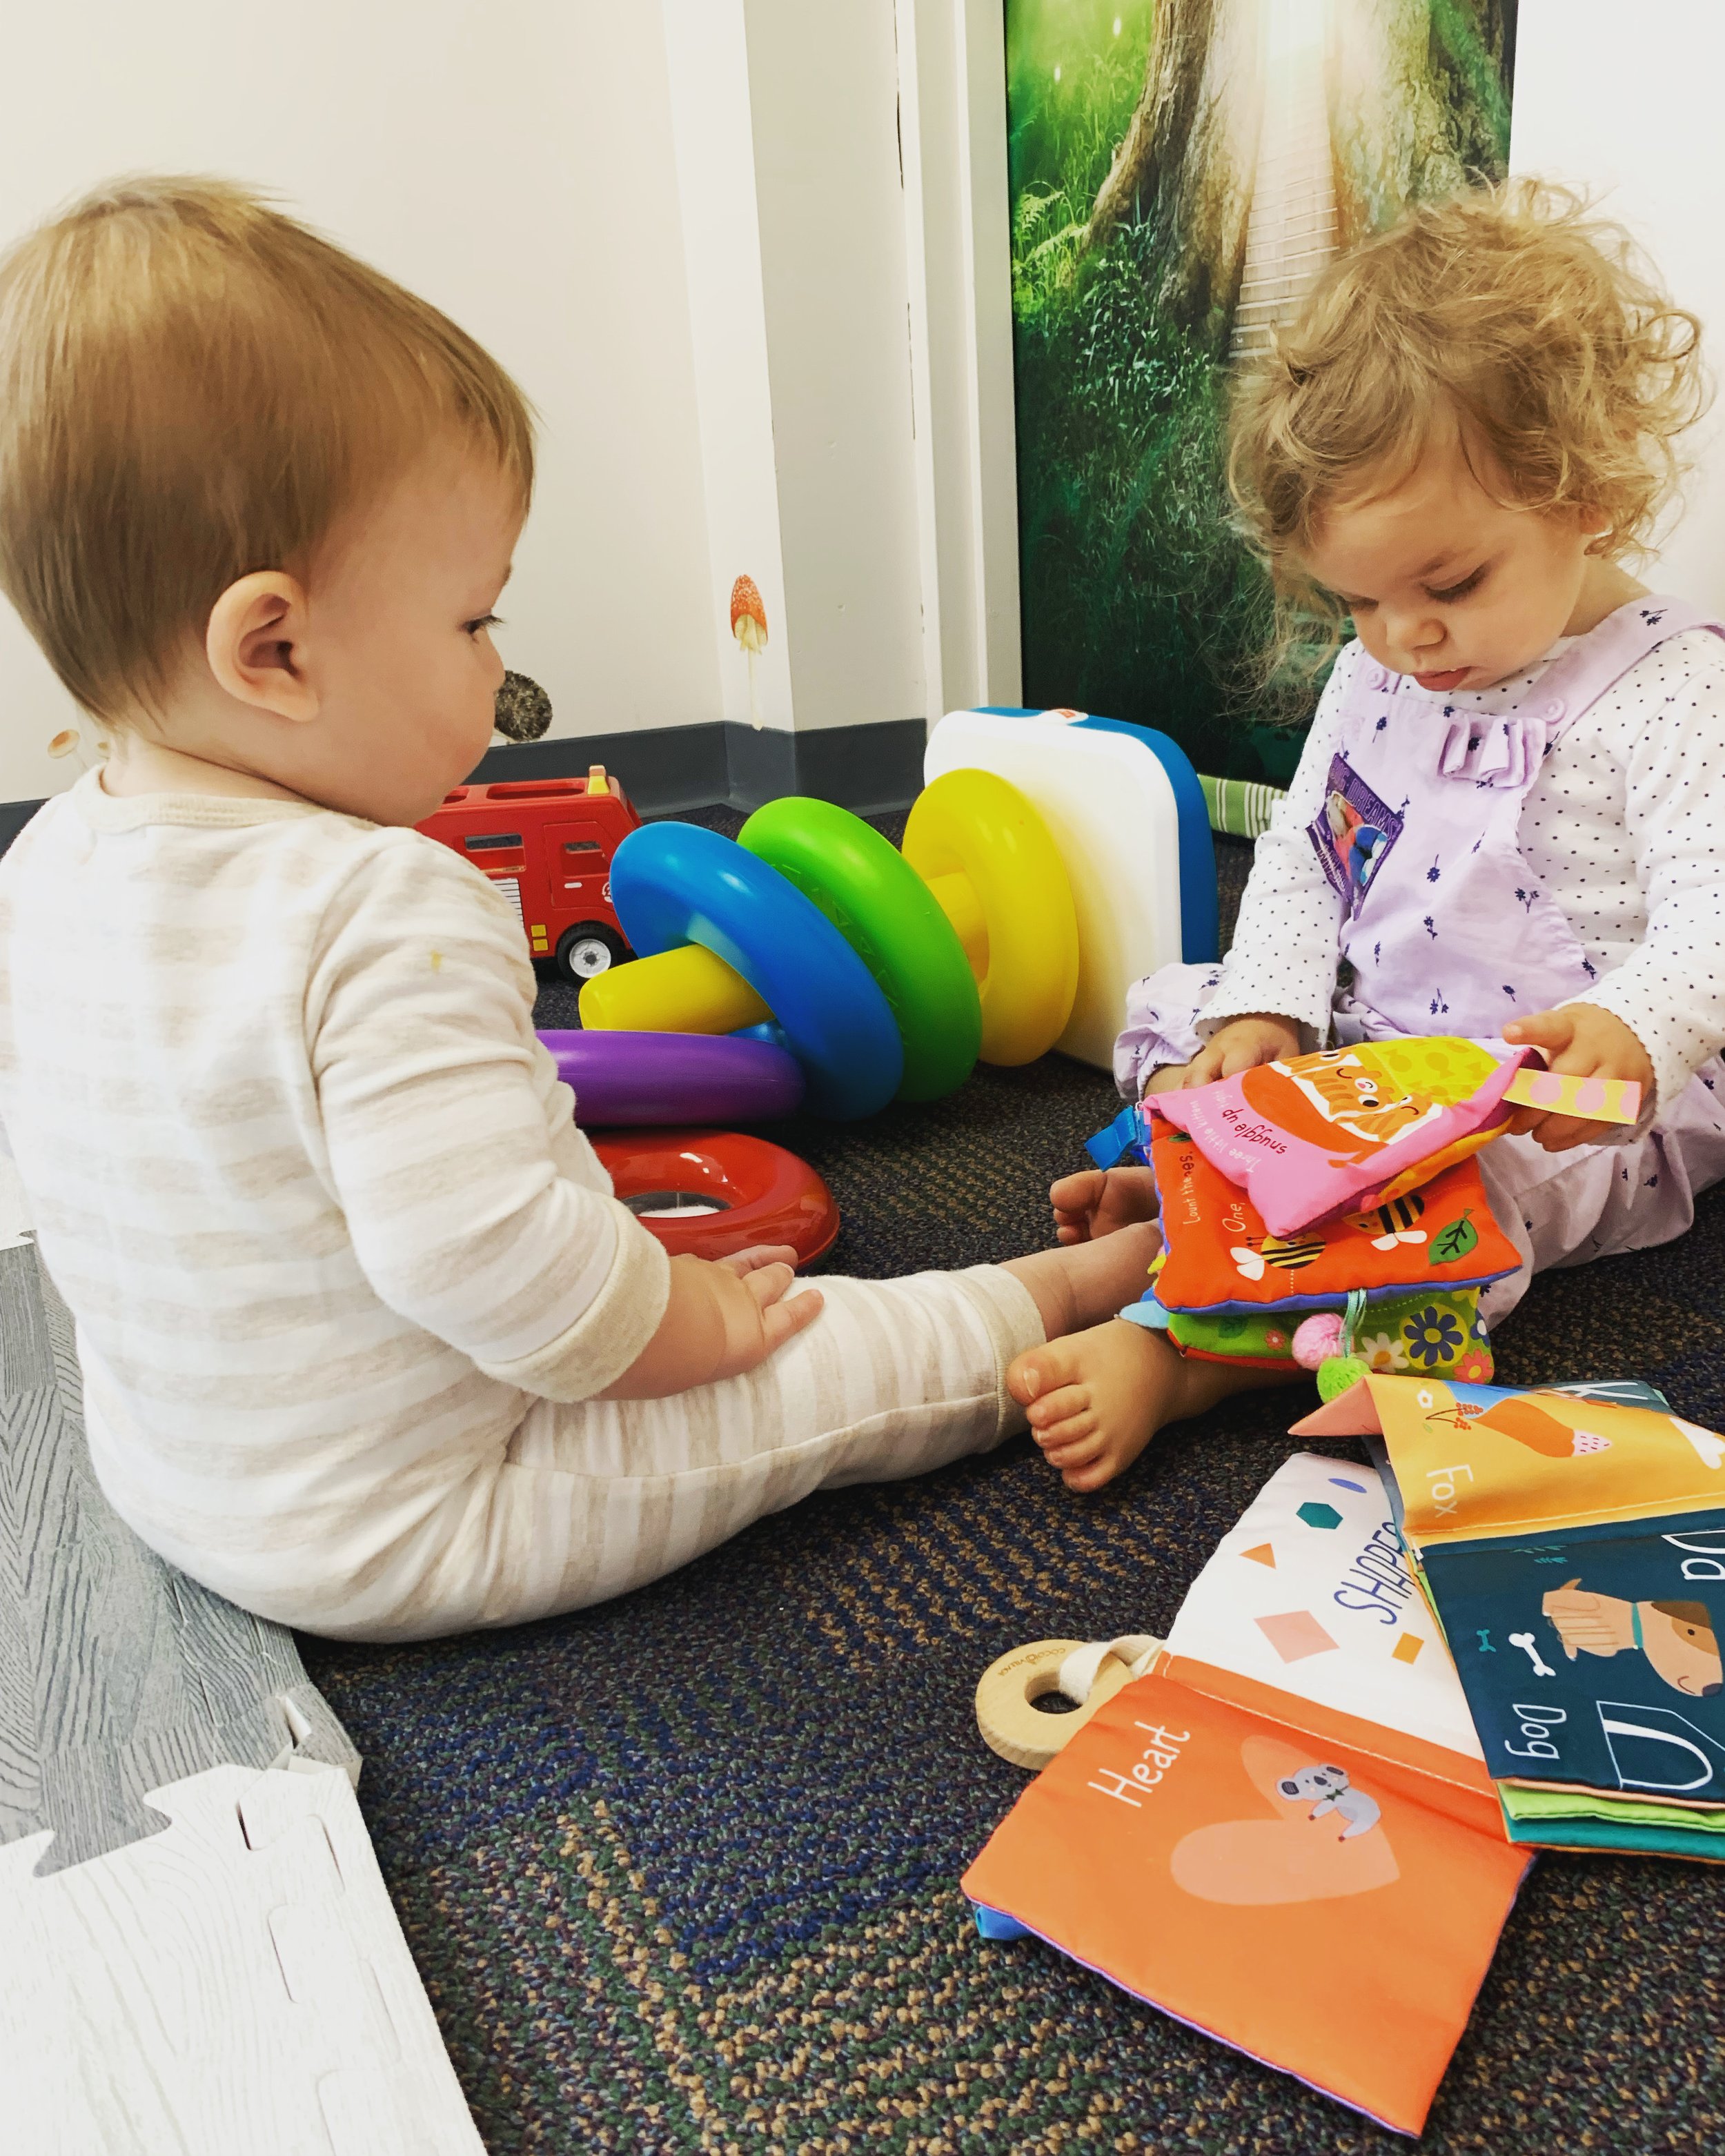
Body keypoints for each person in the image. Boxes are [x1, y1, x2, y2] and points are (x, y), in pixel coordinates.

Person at [0, 177, 1156, 1641]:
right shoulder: (376, 903)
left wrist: (607, 1280)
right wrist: (691, 1328)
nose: (498, 665)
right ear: (273, 649)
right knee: (824, 1355)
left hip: (182, 1476)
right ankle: (1090, 1279)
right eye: (474, 618)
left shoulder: (47, 865)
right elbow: (472, 1263)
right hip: (419, 1510)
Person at [1009, 181, 1725, 1492]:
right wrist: (1272, 1012)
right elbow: (1306, 856)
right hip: (1379, 1043)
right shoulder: (1382, 669)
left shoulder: (1671, 691)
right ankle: (1171, 1222)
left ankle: (1189, 1351)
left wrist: (1639, 1030)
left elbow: (1714, 923)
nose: (1406, 639)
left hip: (1546, 1100)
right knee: (1204, 1030)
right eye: (1360, 602)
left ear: (1589, 494)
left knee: (1451, 1215)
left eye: (1449, 586)